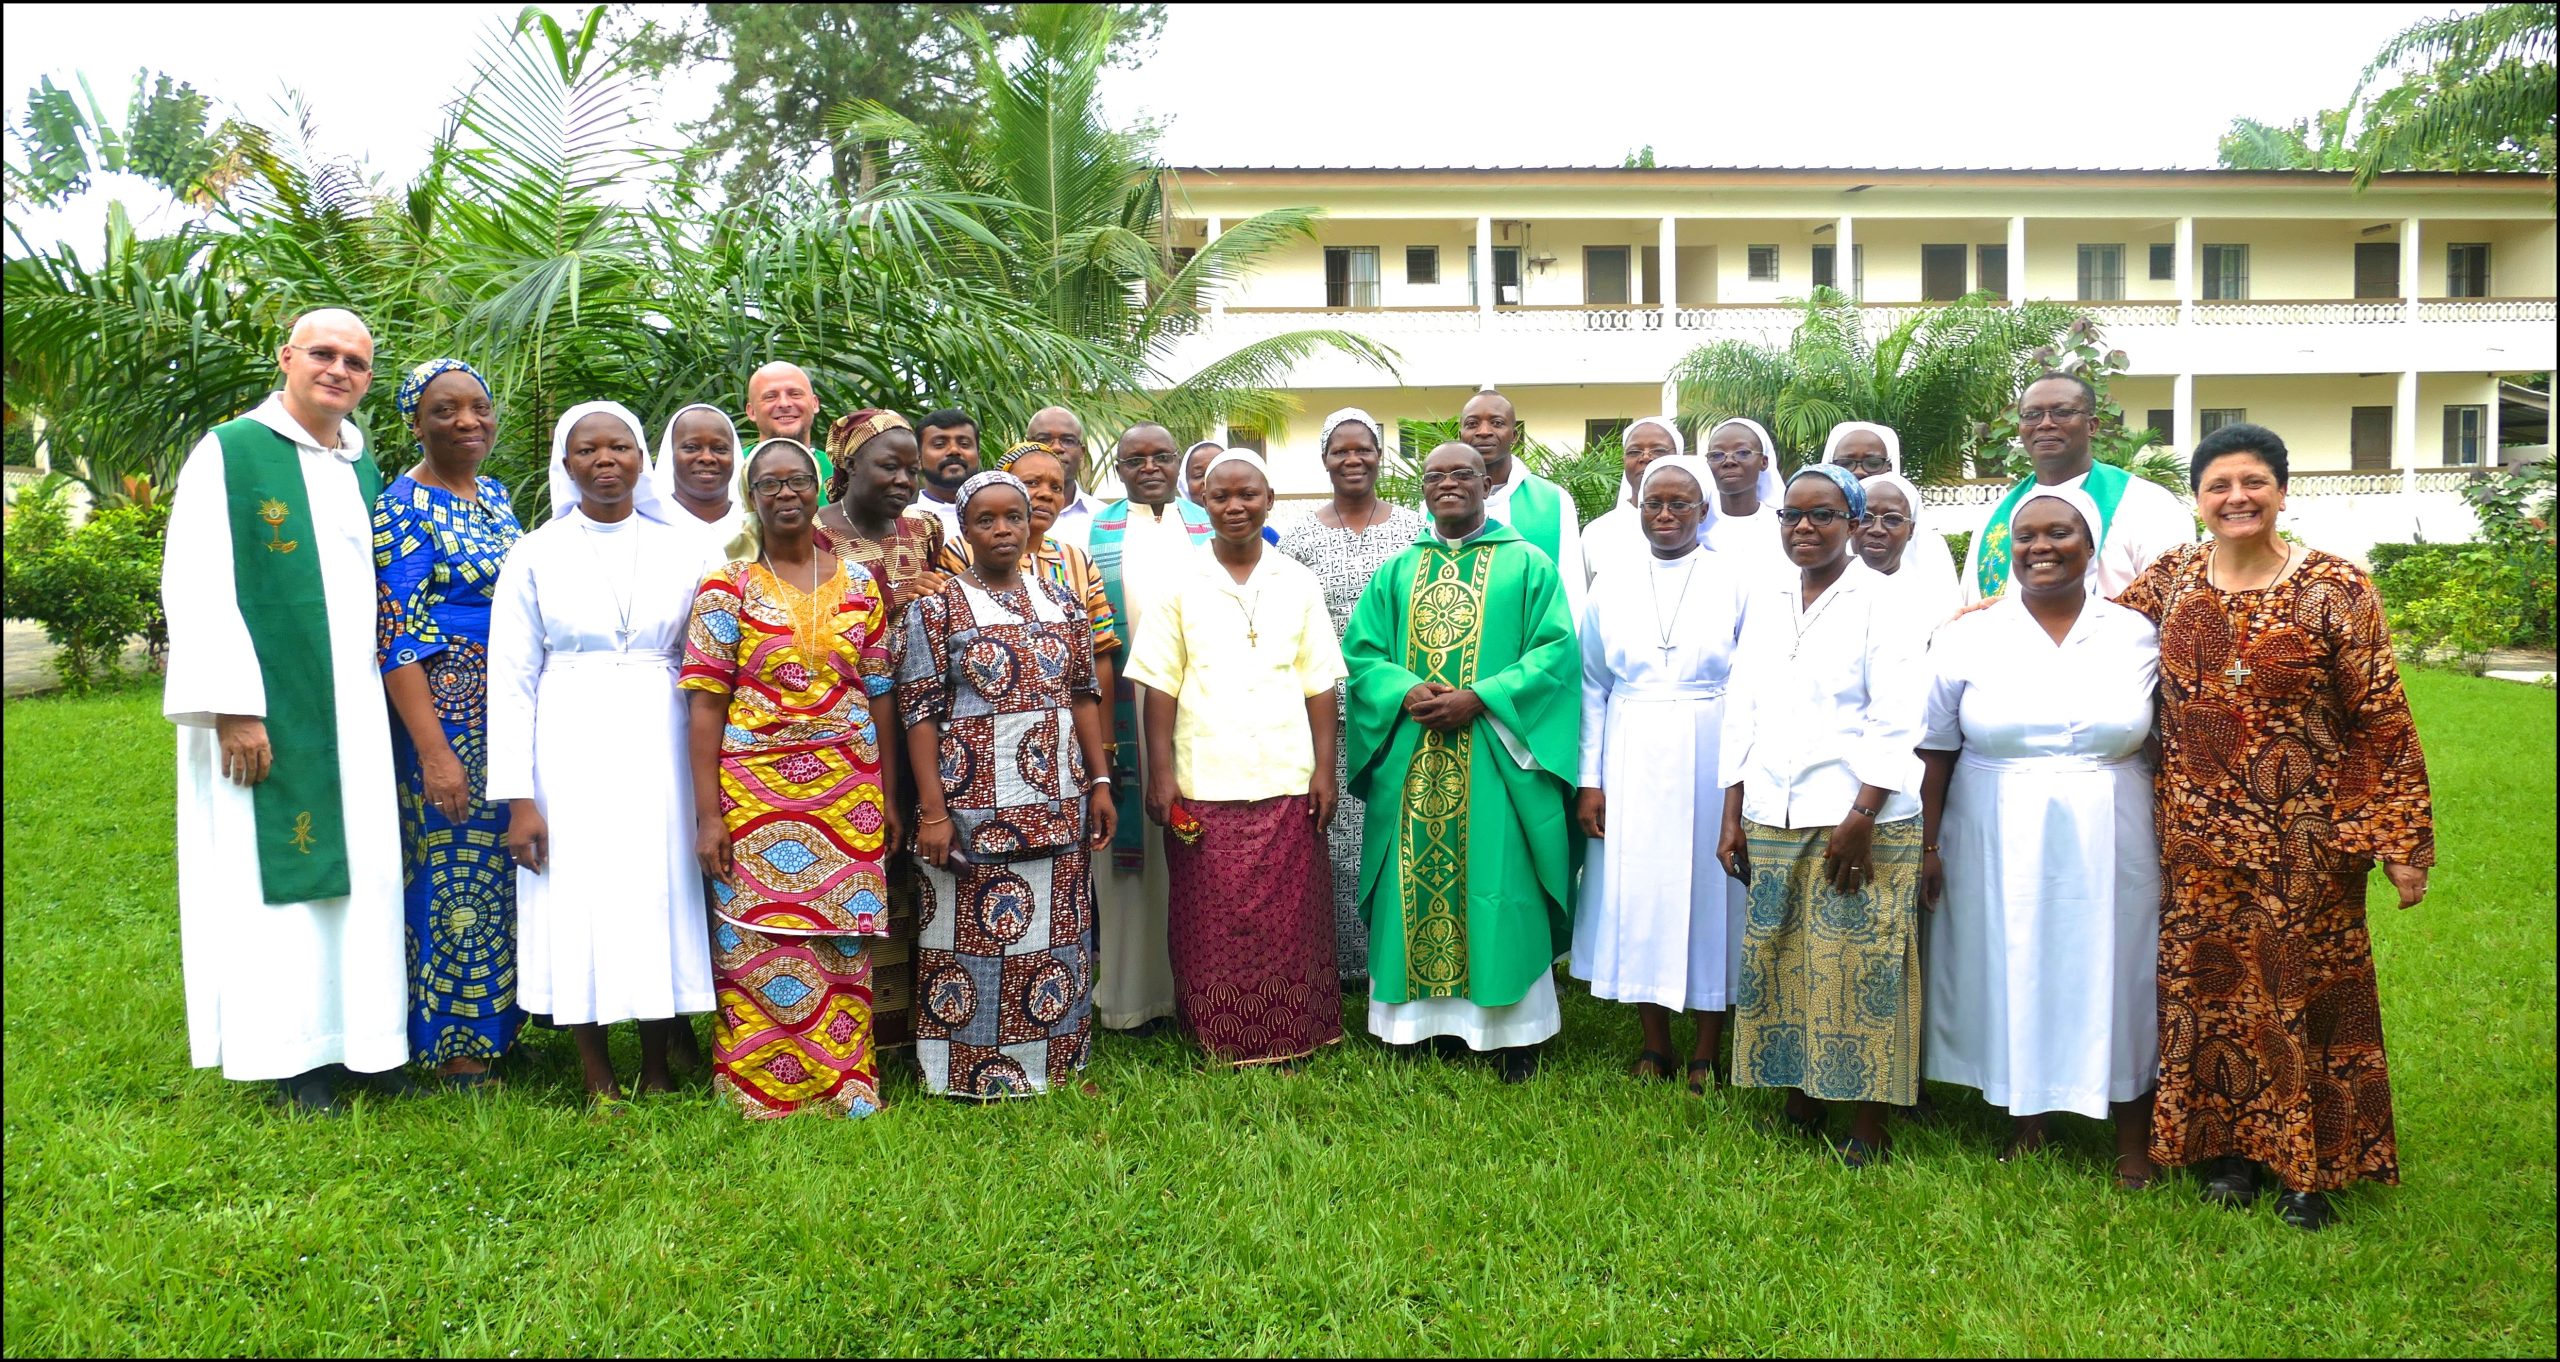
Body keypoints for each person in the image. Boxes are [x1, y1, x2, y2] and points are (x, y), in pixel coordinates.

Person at [2113, 422, 2434, 1231]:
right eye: (2219, 486)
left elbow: (2381, 719)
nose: (2237, 498)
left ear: (2282, 491)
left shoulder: (2336, 588)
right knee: (2213, 994)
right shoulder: (2172, 580)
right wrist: (1984, 616)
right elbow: (2093, 638)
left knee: (2302, 997)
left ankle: (2307, 1170)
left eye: (2253, 482)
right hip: (2195, 841)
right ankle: (2228, 1154)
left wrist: (2401, 842)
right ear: (2198, 501)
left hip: (2307, 843)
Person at [163, 308, 405, 1113]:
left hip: (357, 710)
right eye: (324, 355)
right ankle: (292, 1056)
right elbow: (195, 581)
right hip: (269, 709)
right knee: (279, 882)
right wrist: (233, 706)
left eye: (356, 362)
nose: (339, 371)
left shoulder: (359, 465)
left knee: (363, 873)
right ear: (287, 359)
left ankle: (365, 1041)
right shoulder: (231, 453)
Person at [1917, 486, 2163, 1185]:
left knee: (2119, 967)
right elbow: (1934, 748)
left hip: (2113, 823)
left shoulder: (2137, 632)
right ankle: (2028, 1115)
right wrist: (1929, 846)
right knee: (2015, 956)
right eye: (2026, 535)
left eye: (2060, 533)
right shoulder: (1967, 634)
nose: (2041, 547)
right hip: (1994, 820)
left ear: (2091, 548)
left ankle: (2132, 1135)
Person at [486, 402, 715, 1108]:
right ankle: (595, 1071)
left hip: (661, 732)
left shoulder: (685, 548)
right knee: (575, 890)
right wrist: (519, 799)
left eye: (620, 447)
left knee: (658, 888)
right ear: (567, 463)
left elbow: (708, 661)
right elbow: (511, 679)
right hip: (568, 733)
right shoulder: (535, 552)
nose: (605, 460)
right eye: (588, 450)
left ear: (643, 460)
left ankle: (656, 1062)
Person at [1341, 442, 1580, 1083]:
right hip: (1415, 759)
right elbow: (1361, 654)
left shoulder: (1527, 564)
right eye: (1434, 475)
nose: (1447, 483)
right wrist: (1404, 690)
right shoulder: (1397, 571)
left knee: (1499, 885)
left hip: (1497, 757)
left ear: (1487, 482)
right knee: (1411, 886)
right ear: (1422, 489)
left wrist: (1482, 698)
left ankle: (1513, 1034)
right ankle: (1421, 1028)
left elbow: (1556, 653)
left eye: (1461, 473)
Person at [679, 438, 902, 1120]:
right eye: (769, 483)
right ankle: (758, 1092)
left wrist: (889, 797)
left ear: (819, 488)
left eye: (797, 481)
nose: (785, 493)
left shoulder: (860, 584)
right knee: (756, 939)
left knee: (840, 937)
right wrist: (709, 814)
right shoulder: (727, 586)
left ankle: (845, 1088)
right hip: (753, 790)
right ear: (752, 497)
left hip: (848, 792)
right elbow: (705, 701)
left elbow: (882, 693)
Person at [1717, 464, 1929, 1167]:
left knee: (1861, 964)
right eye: (1792, 516)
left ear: (1855, 522)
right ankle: (1799, 1097)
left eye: (1824, 516)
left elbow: (1897, 713)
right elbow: (1742, 705)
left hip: (1859, 815)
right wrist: (1732, 812)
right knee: (1783, 954)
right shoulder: (1770, 595)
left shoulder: (1884, 600)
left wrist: (1864, 810)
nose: (1804, 528)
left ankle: (1868, 1121)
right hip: (1774, 807)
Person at [893, 470, 1117, 1098]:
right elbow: (919, 713)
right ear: (963, 530)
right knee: (967, 938)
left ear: (1029, 525)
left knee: (1059, 934)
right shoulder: (936, 608)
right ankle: (964, 1071)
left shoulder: (1063, 604)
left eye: (1011, 518)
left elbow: (1082, 696)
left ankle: (1058, 1066)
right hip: (969, 807)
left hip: (1057, 801)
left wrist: (1099, 781)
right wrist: (932, 813)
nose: (1000, 531)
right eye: (985, 520)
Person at [1127, 450, 1349, 1069]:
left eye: (1246, 494)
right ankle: (1218, 1035)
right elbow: (1160, 687)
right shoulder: (1179, 584)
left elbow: (1320, 684)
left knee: (1291, 916)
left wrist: (1325, 771)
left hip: (1287, 774)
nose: (1233, 506)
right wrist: (1162, 776)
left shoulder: (1298, 581)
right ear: (1204, 503)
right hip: (1205, 779)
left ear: (1269, 499)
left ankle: (1295, 1032)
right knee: (1211, 918)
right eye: (1220, 496)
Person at [1571, 453, 1750, 1093]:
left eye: (1681, 503)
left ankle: (1707, 1045)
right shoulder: (1612, 581)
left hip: (1710, 740)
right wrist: (1590, 780)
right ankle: (1654, 1041)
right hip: (1631, 742)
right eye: (1654, 503)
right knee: (1639, 889)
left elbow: (1750, 683)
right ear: (1638, 510)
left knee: (1712, 892)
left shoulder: (1736, 578)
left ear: (1705, 511)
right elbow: (1592, 685)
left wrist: (1740, 779)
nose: (1666, 514)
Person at [373, 357, 526, 1085]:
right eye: (445, 410)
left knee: (500, 869)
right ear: (415, 423)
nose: (467, 422)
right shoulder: (401, 505)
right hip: (446, 717)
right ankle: (456, 1048)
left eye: (478, 407)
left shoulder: (495, 496)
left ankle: (503, 1027)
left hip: (509, 711)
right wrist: (435, 753)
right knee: (453, 873)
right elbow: (397, 636)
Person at [811, 408, 951, 1057]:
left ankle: (913, 1027)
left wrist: (936, 591)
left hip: (922, 719)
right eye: (888, 465)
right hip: (842, 723)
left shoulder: (924, 528)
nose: (903, 479)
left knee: (912, 864)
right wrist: (892, 600)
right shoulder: (812, 534)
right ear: (847, 468)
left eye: (911, 469)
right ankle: (849, 1025)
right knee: (855, 865)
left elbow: (955, 595)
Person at [1276, 409, 1429, 985]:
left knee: (1391, 823)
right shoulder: (1299, 536)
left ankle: (1394, 953)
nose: (1353, 459)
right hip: (1322, 704)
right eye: (1340, 450)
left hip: (1396, 704)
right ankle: (1341, 963)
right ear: (1324, 460)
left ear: (1380, 455)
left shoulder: (1414, 528)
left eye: (1363, 448)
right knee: (1333, 827)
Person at [1085, 422, 1215, 1033]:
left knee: (1202, 844)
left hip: (1204, 706)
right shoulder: (1093, 531)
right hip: (1126, 707)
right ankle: (1132, 996)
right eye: (1135, 459)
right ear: (1118, 467)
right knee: (1129, 865)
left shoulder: (1208, 522)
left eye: (1162, 456)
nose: (1151, 467)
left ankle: (1201, 986)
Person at [1962, 371, 2193, 602]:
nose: (2045, 424)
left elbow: (2174, 604)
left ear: (2092, 425)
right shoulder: (1996, 513)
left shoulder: (2147, 503)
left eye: (2062, 413)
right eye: (2031, 415)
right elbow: (1971, 605)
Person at [1456, 388, 1585, 628]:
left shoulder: (1554, 501)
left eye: (1496, 423)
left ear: (1514, 435)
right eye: (1472, 424)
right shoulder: (1435, 505)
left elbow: (1573, 589)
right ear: (1461, 433)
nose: (1484, 432)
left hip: (1534, 644)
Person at [1823, 421, 1960, 612]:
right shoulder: (1818, 535)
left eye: (1872, 463)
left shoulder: (1930, 544)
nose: (1859, 471)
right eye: (1845, 463)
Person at [1579, 416, 1681, 587]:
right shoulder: (1596, 533)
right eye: (1634, 452)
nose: (1646, 457)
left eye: (1658, 450)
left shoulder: (1696, 527)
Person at [1857, 472, 1963, 621]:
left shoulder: (1931, 603)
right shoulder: (1823, 592)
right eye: (1865, 518)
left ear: (1911, 530)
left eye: (1893, 519)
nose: (1877, 530)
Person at [1698, 417, 1792, 583]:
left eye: (1742, 453)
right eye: (1717, 455)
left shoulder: (1785, 526)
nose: (1729, 462)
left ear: (1764, 462)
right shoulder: (1696, 527)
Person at [652, 403, 746, 564]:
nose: (707, 458)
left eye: (720, 448)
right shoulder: (649, 527)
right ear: (671, 454)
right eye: (691, 447)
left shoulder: (755, 526)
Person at [1026, 405, 1105, 548]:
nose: (1056, 448)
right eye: (1044, 439)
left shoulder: (1105, 519)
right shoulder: (1006, 516)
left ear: (1082, 452)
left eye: (1068, 440)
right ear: (1027, 446)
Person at [1179, 438, 1279, 545]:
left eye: (1247, 495)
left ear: (1269, 499)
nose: (1208, 482)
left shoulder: (1269, 539)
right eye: (1199, 475)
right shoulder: (1174, 529)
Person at [745, 361, 823, 489]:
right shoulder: (730, 471)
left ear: (814, 404)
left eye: (795, 394)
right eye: (770, 396)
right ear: (751, 411)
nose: (784, 404)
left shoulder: (841, 473)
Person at [910, 407, 981, 540]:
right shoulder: (901, 525)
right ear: (918, 459)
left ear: (978, 455)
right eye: (939, 444)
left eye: (964, 444)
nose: (954, 450)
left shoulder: (1002, 524)